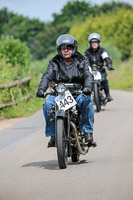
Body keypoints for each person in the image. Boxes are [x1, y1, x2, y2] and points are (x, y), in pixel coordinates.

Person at [36, 34, 94, 147]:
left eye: (69, 47)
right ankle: (53, 135)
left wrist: (87, 87)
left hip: (78, 93)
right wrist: (41, 89)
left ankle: (87, 131)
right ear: (59, 50)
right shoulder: (54, 62)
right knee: (47, 104)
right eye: (63, 48)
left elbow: (88, 75)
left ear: (74, 48)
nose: (66, 50)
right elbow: (47, 76)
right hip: (59, 94)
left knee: (87, 102)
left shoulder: (82, 60)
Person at [84, 32, 114, 101]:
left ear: (99, 43)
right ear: (90, 43)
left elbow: (106, 58)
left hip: (101, 70)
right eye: (92, 42)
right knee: (87, 82)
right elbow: (84, 60)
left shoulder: (102, 51)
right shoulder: (87, 52)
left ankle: (108, 94)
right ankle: (87, 98)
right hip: (91, 71)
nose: (94, 44)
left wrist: (109, 64)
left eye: (96, 42)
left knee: (104, 80)